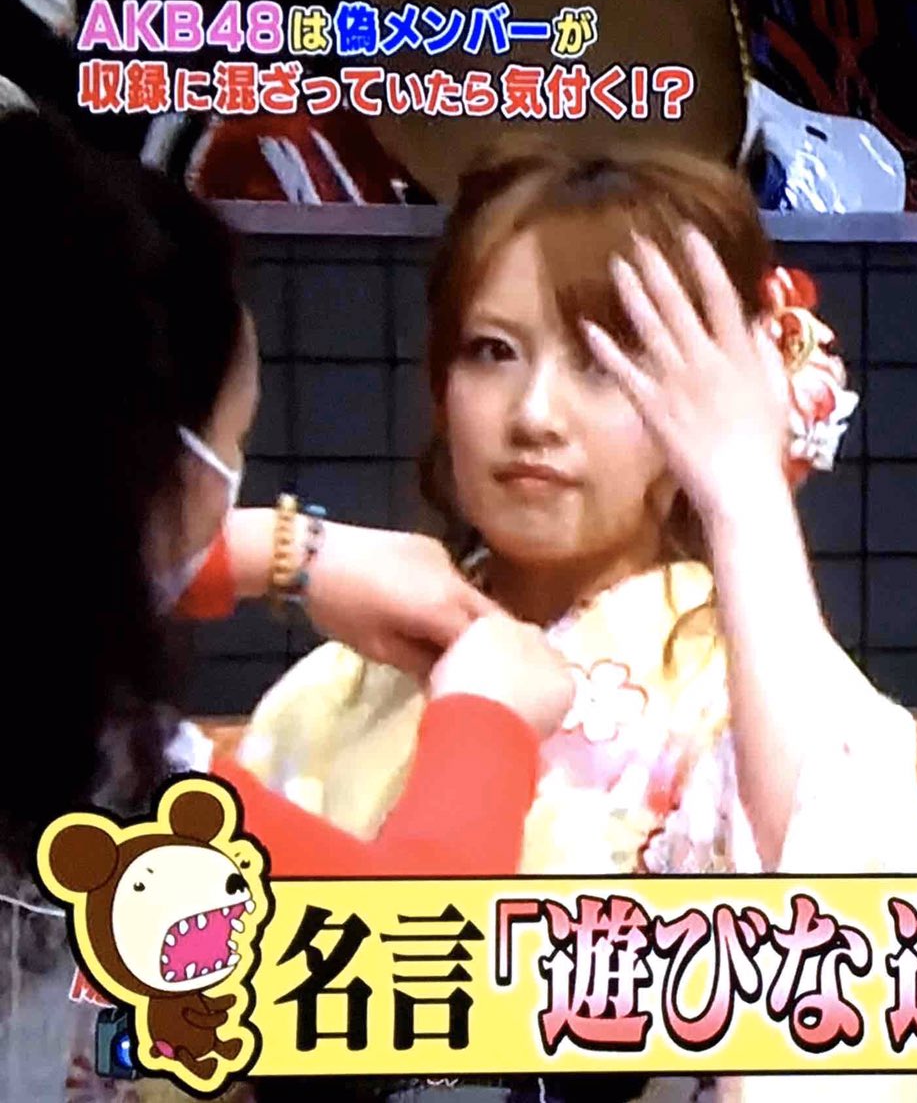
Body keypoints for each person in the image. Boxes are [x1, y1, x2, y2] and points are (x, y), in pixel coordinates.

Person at [222, 139, 917, 1103]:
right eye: (491, 351)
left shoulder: (763, 699)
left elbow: (837, 976)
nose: (534, 414)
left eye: (606, 363)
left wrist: (745, 496)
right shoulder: (324, 700)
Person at [2, 104, 576, 1101]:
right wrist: (486, 726)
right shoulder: (102, 772)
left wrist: (277, 551)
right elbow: (387, 974)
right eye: (231, 448)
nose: (537, 415)